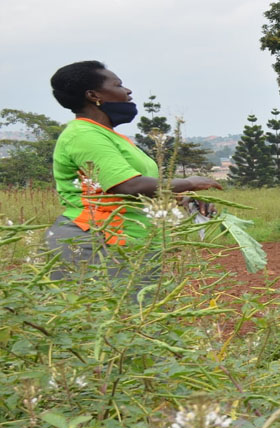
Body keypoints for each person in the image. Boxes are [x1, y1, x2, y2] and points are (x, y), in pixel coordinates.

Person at [45, 61, 222, 285]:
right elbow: (127, 186)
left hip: (129, 239)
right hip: (94, 240)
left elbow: (134, 189)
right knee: (109, 305)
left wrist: (181, 198)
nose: (128, 91)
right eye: (118, 85)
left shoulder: (109, 136)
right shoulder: (83, 135)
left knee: (140, 304)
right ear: (93, 95)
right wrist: (189, 182)